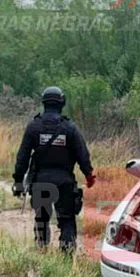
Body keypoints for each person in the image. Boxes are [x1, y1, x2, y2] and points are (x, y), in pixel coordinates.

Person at [12, 87, 95, 252]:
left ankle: (42, 251)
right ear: (62, 103)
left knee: (41, 219)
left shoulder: (33, 127)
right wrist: (89, 174)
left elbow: (23, 157)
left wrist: (18, 181)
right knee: (67, 221)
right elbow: (83, 155)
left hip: (40, 182)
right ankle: (66, 257)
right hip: (64, 183)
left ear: (44, 103)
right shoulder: (70, 128)